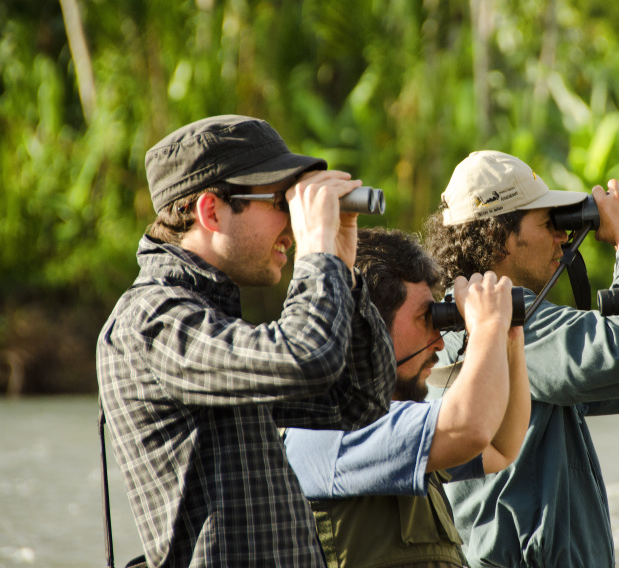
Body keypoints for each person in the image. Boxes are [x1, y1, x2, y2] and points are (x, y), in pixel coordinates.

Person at [97, 115, 396, 567]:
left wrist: (343, 269)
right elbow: (307, 355)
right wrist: (316, 253)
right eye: (281, 201)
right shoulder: (152, 321)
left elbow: (357, 402)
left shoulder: (216, 318)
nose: (294, 227)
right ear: (211, 210)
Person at [422, 150, 619, 568]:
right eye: (548, 222)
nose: (563, 236)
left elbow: (618, 377)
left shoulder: (458, 315)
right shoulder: (501, 318)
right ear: (500, 237)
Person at [283, 227, 530, 568]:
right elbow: (471, 427)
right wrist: (487, 325)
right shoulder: (329, 429)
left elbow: (503, 445)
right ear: (372, 326)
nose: (441, 342)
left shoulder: (396, 426)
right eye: (424, 319)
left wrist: (508, 337)